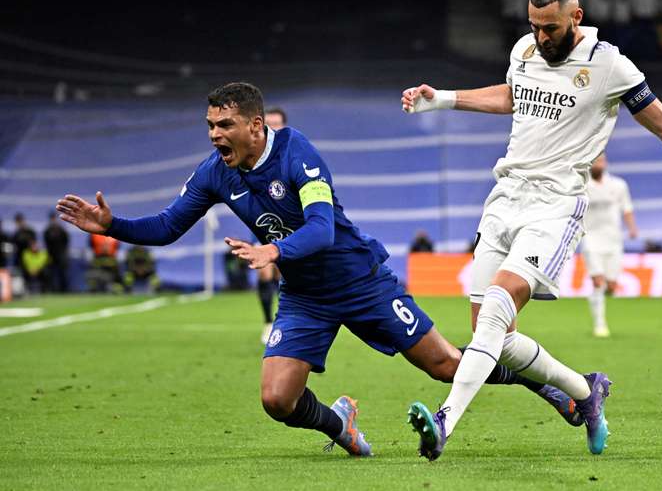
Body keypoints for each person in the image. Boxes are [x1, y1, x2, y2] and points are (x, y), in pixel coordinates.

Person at [57, 82, 582, 458]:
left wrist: (274, 253)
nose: (215, 135)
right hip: (305, 296)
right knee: (276, 400)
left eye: (225, 125)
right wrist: (111, 226)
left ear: (255, 126)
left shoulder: (295, 152)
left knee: (445, 365)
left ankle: (548, 386)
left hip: (359, 280)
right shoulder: (215, 173)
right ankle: (341, 424)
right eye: (210, 125)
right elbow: (168, 225)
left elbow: (321, 228)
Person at [401, 0, 662, 461]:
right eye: (534, 26)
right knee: (492, 336)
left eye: (551, 28)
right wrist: (444, 98)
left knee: (498, 306)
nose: (541, 37)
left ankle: (444, 423)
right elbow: (514, 96)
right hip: (504, 199)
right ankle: (585, 390)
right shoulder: (524, 51)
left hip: (556, 205)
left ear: (575, 17)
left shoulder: (610, 65)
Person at [582, 155, 638, 338]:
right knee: (598, 281)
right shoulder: (581, 186)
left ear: (605, 163)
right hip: (591, 239)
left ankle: (596, 297)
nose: (598, 164)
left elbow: (627, 208)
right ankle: (600, 325)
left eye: (601, 161)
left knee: (611, 286)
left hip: (613, 240)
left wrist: (632, 228)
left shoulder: (618, 185)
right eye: (595, 161)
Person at [256, 107, 288, 342]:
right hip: (263, 225)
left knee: (283, 273)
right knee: (264, 271)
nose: (272, 128)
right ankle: (268, 322)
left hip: (288, 227)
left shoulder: (291, 154)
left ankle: (282, 321)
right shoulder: (254, 157)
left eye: (277, 123)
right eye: (269, 124)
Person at [44, 211, 70, 292]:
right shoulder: (47, 231)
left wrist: (64, 253)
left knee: (62, 273)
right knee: (51, 273)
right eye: (52, 219)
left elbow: (66, 242)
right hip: (51, 255)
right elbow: (47, 244)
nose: (53, 220)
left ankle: (64, 290)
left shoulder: (61, 230)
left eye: (54, 218)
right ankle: (52, 289)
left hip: (61, 254)